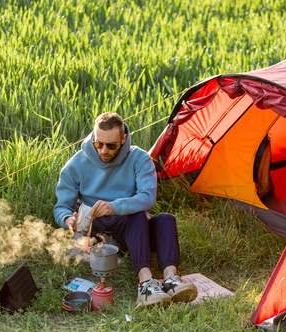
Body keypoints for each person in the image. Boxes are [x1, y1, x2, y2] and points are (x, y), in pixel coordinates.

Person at [54, 112, 198, 308]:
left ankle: (171, 279)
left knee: (165, 219)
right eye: (98, 144)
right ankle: (145, 283)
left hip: (132, 231)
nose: (103, 150)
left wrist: (113, 207)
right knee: (136, 216)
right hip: (97, 232)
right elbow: (61, 206)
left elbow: (147, 198)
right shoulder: (77, 163)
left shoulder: (139, 158)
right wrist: (67, 219)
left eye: (111, 145)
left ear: (123, 140)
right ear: (94, 138)